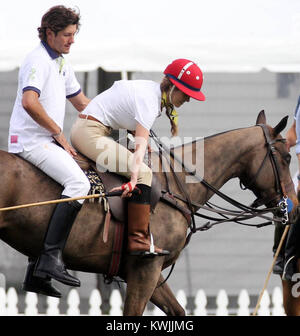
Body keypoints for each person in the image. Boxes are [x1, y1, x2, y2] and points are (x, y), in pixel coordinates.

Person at [70, 59, 206, 257]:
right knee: (143, 172)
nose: (188, 99)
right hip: (90, 134)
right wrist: (135, 179)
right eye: (187, 94)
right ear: (174, 87)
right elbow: (140, 144)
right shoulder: (150, 102)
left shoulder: (151, 93)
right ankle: (138, 240)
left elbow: (124, 112)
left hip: (92, 129)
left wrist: (137, 140)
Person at [8, 6, 91, 298]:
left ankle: (35, 274)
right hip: (30, 141)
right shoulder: (37, 60)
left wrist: (117, 117)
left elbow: (82, 103)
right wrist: (58, 133)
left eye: (73, 35)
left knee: (59, 191)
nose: (71, 41)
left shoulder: (61, 62)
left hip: (45, 140)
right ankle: (49, 259)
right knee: (79, 184)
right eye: (67, 35)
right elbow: (30, 102)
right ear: (50, 33)